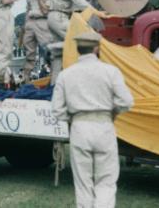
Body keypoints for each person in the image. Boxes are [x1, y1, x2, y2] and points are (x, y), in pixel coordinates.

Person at [51, 31, 134, 208]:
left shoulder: (66, 75)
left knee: (83, 183)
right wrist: (114, 112)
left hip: (79, 127)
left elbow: (57, 109)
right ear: (96, 48)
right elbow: (126, 101)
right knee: (106, 181)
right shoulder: (110, 71)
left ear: (78, 49)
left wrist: (73, 118)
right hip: (104, 125)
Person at [22, 0, 53, 81]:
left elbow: (46, 11)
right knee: (29, 53)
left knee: (48, 50)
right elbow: (27, 9)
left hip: (42, 21)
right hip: (30, 22)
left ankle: (54, 76)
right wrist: (25, 27)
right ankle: (26, 79)